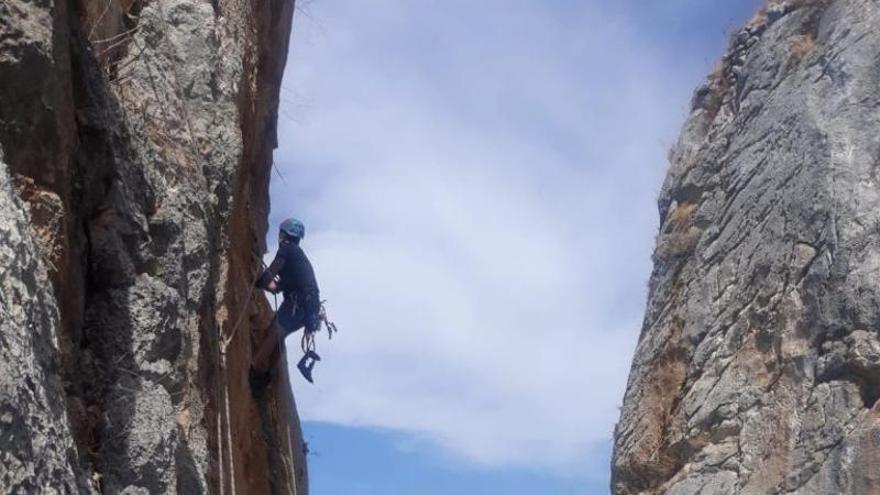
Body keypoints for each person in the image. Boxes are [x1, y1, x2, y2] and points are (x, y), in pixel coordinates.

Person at [250, 217, 321, 388]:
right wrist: (270, 285)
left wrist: (258, 281)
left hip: (297, 305)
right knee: (279, 335)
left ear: (284, 235)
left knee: (275, 332)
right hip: (308, 309)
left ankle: (256, 368)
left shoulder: (287, 250)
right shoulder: (297, 256)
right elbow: (278, 286)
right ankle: (269, 374)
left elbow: (270, 274)